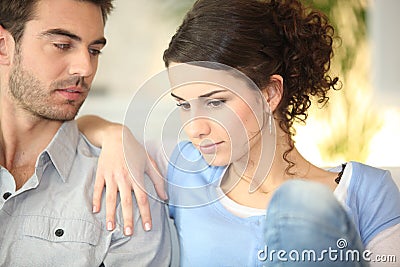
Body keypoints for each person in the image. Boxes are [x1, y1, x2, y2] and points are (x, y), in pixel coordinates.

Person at [80, 0, 400, 266]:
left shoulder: (366, 191)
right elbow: (78, 127)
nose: (195, 128)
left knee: (300, 205)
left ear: (270, 94)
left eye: (216, 102)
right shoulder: (181, 170)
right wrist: (114, 134)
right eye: (184, 105)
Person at [0, 0, 171, 266]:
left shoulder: (123, 187)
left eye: (94, 50)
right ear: (3, 46)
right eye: (62, 45)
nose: (86, 68)